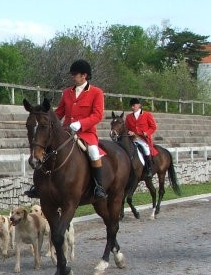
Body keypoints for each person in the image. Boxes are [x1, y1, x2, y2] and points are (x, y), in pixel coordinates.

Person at [25, 59, 107, 200]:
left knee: (94, 152)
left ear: (84, 75)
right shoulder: (67, 92)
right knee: (47, 149)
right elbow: (58, 113)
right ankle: (38, 185)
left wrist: (81, 123)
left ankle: (98, 186)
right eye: (72, 74)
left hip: (86, 132)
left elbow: (98, 115)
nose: (72, 77)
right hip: (66, 131)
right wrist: (44, 120)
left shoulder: (96, 93)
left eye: (75, 74)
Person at [125, 97, 157, 177]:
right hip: (132, 138)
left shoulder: (147, 115)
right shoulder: (128, 117)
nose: (132, 107)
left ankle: (149, 168)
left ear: (139, 105)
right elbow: (126, 128)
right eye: (131, 106)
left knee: (146, 149)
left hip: (143, 138)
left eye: (134, 105)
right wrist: (129, 132)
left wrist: (147, 133)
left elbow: (153, 127)